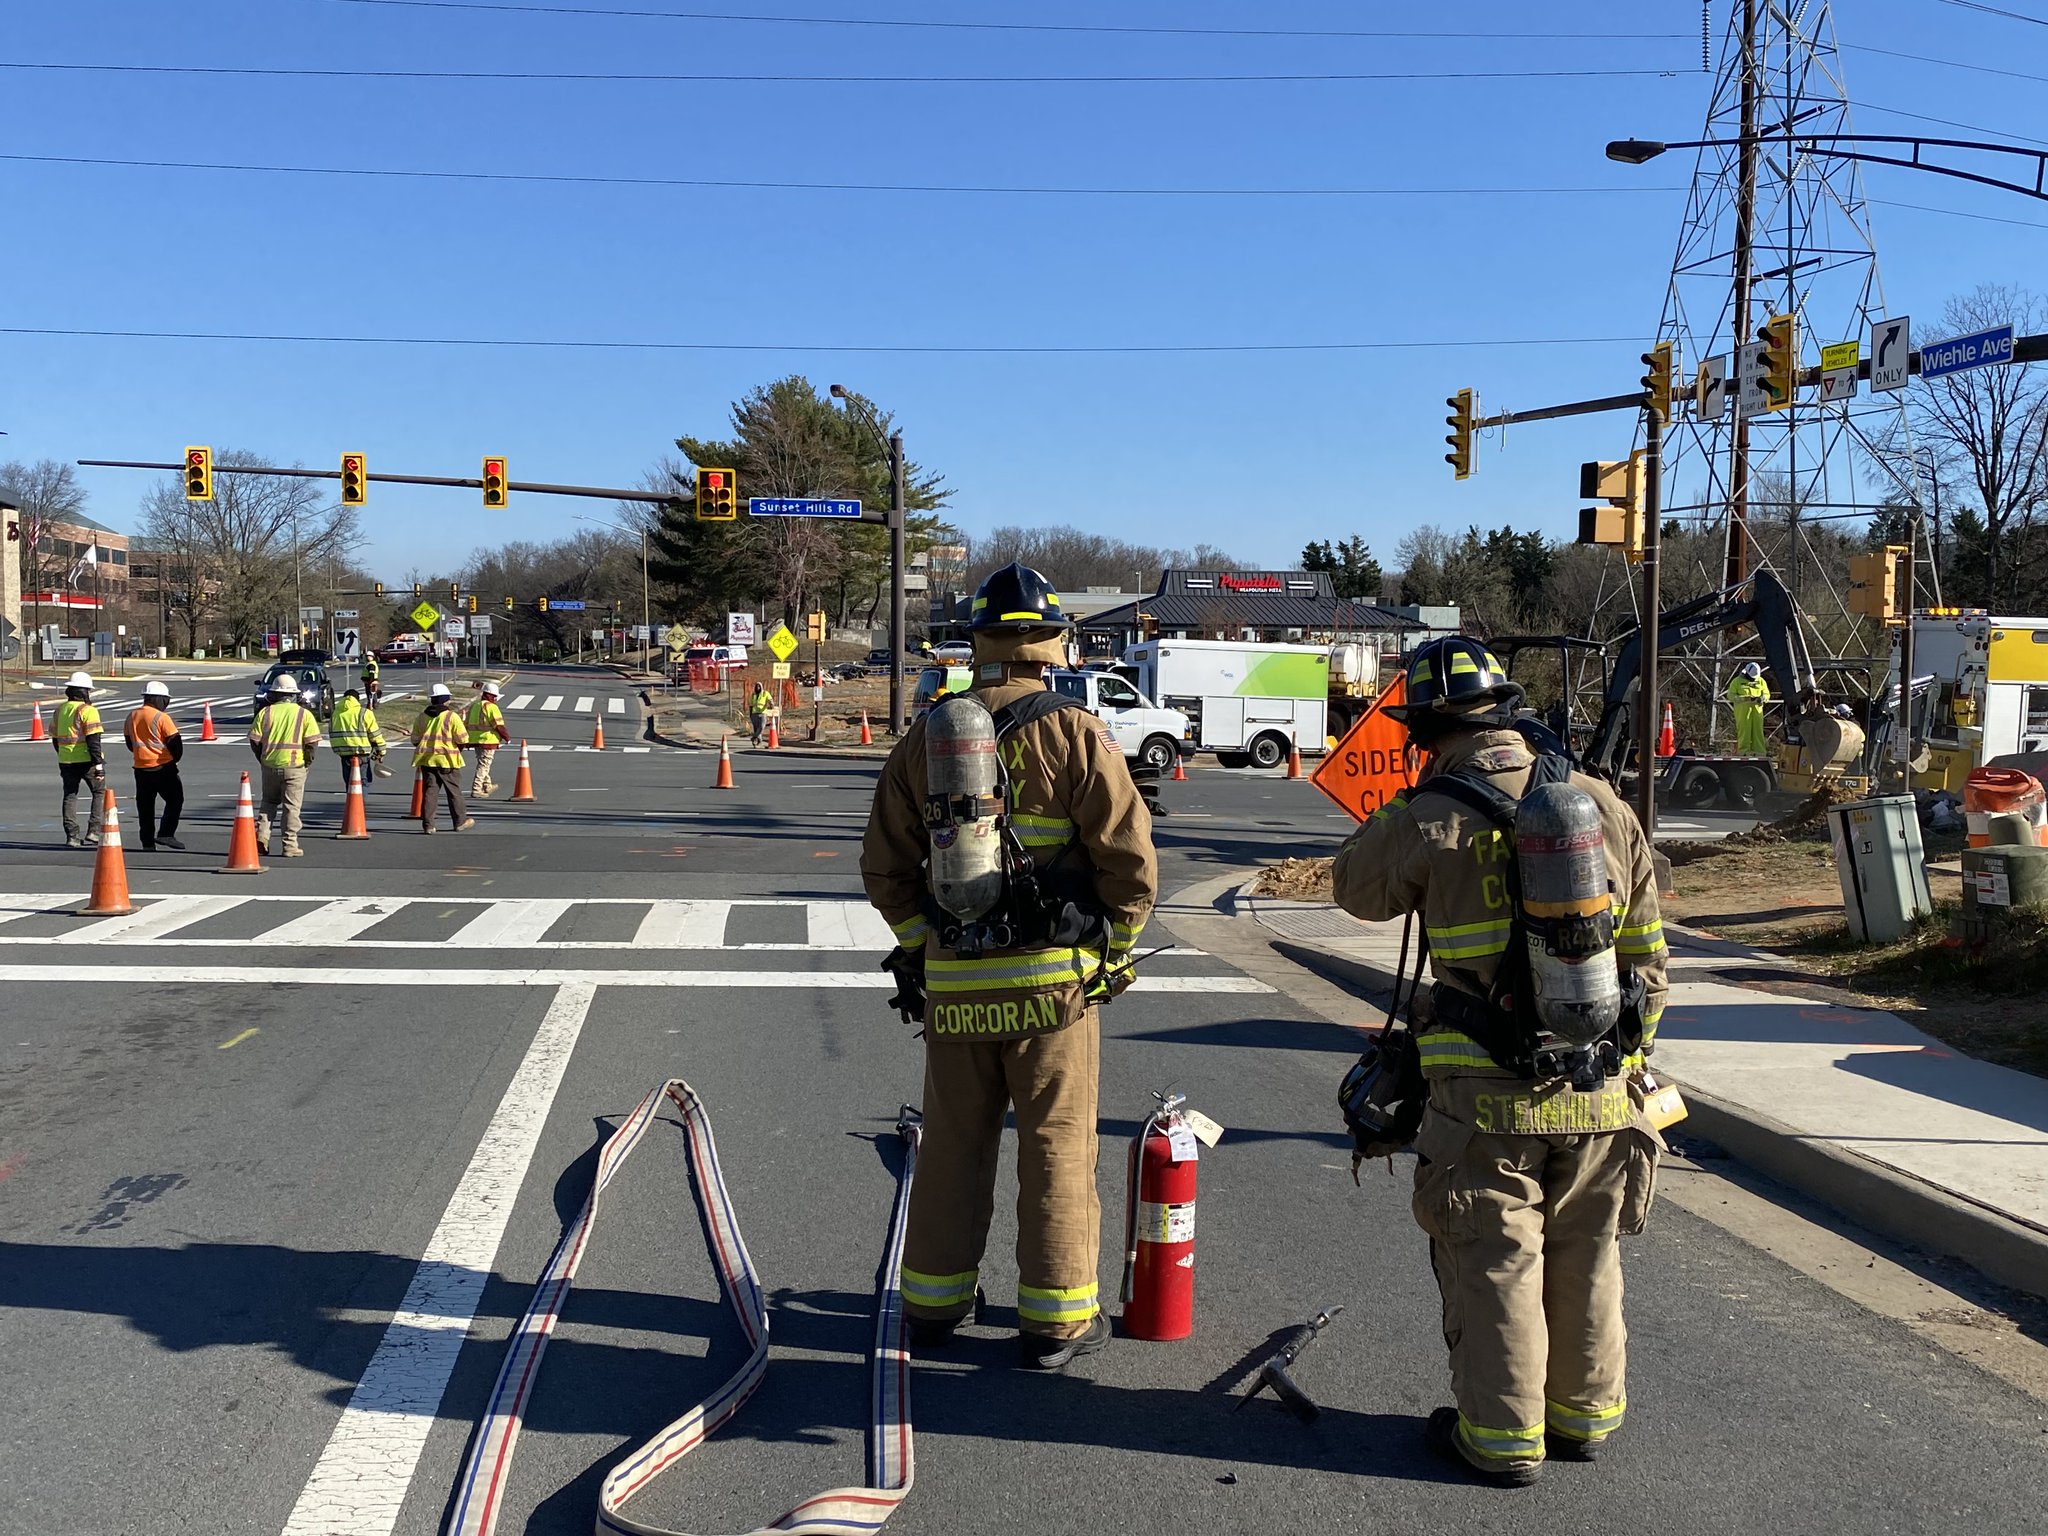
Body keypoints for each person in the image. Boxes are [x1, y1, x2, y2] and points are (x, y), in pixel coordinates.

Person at [1329, 635, 1668, 1486]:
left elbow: (1354, 890)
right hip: (1602, 1091)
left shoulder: (1429, 816)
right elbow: (1649, 960)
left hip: (1484, 1105)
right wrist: (1623, 1062)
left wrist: (1398, 812)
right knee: (1589, 1255)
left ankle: (1502, 1440)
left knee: (1496, 1261)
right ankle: (1585, 1420)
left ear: (1427, 729)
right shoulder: (1599, 803)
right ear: (1509, 714)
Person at [861, 562, 1158, 1372]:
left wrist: (927, 943)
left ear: (979, 642)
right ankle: (1057, 1320)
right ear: (1054, 644)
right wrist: (1113, 954)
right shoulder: (1077, 732)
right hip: (1052, 986)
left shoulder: (929, 735)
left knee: (953, 1144)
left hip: (956, 988)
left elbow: (884, 867)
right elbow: (1129, 861)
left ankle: (931, 1303)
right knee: (1058, 1146)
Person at [249, 672, 322, 856]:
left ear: (274, 694)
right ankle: (289, 846)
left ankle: (262, 837)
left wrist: (262, 758)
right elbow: (312, 743)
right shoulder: (303, 714)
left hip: (269, 765)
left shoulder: (265, 713)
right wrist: (307, 762)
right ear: (293, 695)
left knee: (268, 802)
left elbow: (254, 741)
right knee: (291, 807)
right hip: (295, 766)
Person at [124, 679, 186, 851]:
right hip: (163, 767)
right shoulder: (162, 718)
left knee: (145, 807)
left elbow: (130, 743)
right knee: (175, 800)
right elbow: (176, 744)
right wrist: (173, 760)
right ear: (159, 699)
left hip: (140, 768)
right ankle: (166, 833)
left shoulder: (132, 716)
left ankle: (147, 842)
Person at [412, 681, 476, 834]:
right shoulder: (451, 717)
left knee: (430, 792)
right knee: (453, 792)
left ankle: (428, 825)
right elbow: (463, 739)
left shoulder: (422, 717)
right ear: (445, 700)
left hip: (427, 760)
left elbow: (415, 739)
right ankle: (460, 822)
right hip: (448, 760)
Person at [53, 670, 106, 849]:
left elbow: (55, 738)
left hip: (66, 760)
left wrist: (63, 754)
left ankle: (72, 835)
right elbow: (94, 740)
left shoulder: (60, 710)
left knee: (70, 795)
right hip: (87, 760)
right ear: (84, 692)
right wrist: (98, 764)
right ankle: (94, 831)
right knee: (99, 792)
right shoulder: (88, 711)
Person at [329, 686, 387, 790]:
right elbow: (375, 735)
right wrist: (381, 751)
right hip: (361, 752)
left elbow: (331, 732)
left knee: (349, 782)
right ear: (357, 700)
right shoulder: (364, 713)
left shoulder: (335, 714)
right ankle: (360, 805)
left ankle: (350, 804)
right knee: (363, 781)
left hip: (343, 752)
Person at [465, 680, 510, 797]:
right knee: (484, 765)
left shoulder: (474, 705)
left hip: (474, 740)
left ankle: (487, 785)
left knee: (483, 763)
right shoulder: (491, 707)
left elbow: (466, 723)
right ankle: (476, 788)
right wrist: (506, 737)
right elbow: (498, 725)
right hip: (488, 740)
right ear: (492, 696)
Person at [1726, 660, 1771, 756]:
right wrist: (1742, 699)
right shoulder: (1737, 682)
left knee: (1757, 732)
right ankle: (1744, 752)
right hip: (1743, 712)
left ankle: (1759, 753)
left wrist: (1762, 698)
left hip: (1757, 711)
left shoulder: (1761, 681)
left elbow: (1767, 694)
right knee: (1744, 731)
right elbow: (1730, 695)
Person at [748, 680, 774, 746]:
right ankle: (758, 740)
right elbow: (751, 705)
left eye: (759, 686)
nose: (758, 688)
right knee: (756, 728)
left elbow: (770, 699)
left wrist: (771, 704)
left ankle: (754, 737)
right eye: (757, 686)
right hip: (754, 713)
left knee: (761, 727)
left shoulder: (765, 693)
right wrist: (750, 714)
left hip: (763, 713)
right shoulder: (753, 695)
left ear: (761, 687)